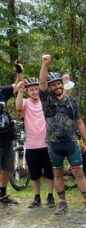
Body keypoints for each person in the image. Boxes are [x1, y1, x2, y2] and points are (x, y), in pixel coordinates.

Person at [38, 54, 86, 215]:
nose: (56, 87)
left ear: (62, 84)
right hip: (53, 144)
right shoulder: (47, 100)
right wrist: (44, 63)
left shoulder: (71, 101)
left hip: (71, 143)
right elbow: (42, 83)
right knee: (57, 173)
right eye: (53, 85)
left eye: (58, 84)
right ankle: (62, 203)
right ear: (49, 87)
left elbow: (79, 122)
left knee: (78, 172)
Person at [15, 77, 55, 208]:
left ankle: (50, 196)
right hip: (32, 145)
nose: (34, 92)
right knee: (34, 174)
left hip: (47, 144)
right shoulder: (25, 103)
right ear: (28, 92)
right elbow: (18, 107)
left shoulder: (44, 102)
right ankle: (37, 198)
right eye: (31, 89)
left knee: (49, 172)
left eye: (36, 89)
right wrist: (20, 91)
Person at [0, 61, 24, 205]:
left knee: (6, 166)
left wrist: (19, 71)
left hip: (6, 135)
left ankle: (2, 194)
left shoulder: (2, 91)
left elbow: (19, 85)